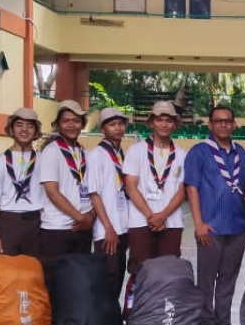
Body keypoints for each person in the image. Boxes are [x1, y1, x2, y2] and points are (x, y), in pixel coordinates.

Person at [186, 105, 245, 325]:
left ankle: (223, 321)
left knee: (228, 276)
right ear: (210, 124)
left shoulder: (240, 152)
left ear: (233, 124)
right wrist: (199, 223)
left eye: (227, 121)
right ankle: (206, 322)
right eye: (218, 121)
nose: (223, 125)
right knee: (206, 277)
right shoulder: (199, 152)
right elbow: (191, 188)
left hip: (237, 226)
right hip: (210, 227)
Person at [123, 100, 188, 280]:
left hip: (172, 223)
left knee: (168, 274)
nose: (164, 124)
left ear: (175, 124)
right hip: (141, 221)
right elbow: (131, 186)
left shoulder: (182, 155)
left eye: (168, 120)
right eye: (159, 119)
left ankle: (163, 309)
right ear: (151, 122)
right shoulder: (136, 150)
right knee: (140, 273)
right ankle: (135, 309)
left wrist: (163, 215)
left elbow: (183, 190)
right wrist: (151, 216)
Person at [38, 100, 94, 260]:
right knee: (56, 281)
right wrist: (80, 217)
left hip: (83, 228)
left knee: (79, 280)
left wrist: (90, 216)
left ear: (82, 124)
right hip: (57, 228)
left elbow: (93, 190)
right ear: (58, 125)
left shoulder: (85, 153)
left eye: (76, 121)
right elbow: (52, 192)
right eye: (66, 121)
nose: (71, 125)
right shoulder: (51, 151)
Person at [87, 108, 131, 303]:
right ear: (103, 128)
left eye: (121, 124)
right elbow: (94, 194)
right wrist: (108, 228)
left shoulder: (121, 153)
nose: (118, 128)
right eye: (112, 124)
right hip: (107, 230)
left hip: (122, 227)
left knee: (118, 277)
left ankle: (112, 322)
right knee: (106, 281)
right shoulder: (97, 154)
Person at [0, 108, 44, 257]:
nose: (24, 130)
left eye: (30, 126)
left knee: (34, 271)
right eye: (19, 125)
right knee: (7, 272)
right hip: (8, 222)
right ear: (11, 129)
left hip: (36, 223)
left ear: (36, 132)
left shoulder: (44, 160)